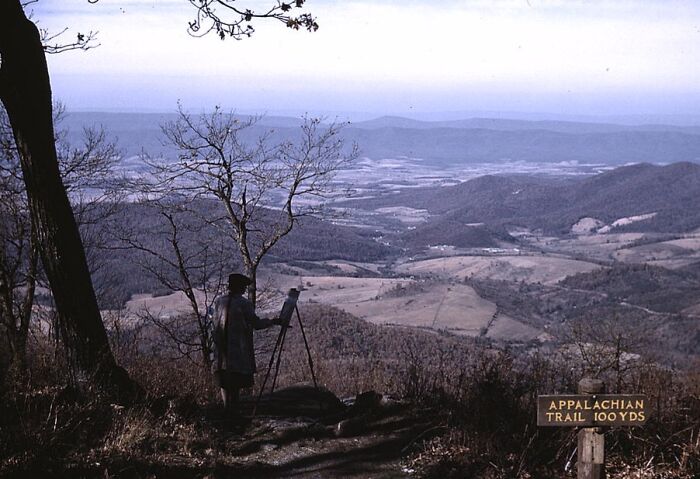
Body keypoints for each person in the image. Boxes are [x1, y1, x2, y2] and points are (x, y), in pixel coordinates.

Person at [211, 273, 281, 418]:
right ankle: (233, 414)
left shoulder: (219, 302)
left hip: (220, 353)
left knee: (224, 382)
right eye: (243, 286)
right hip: (237, 352)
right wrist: (272, 321)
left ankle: (226, 411)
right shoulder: (244, 304)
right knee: (235, 384)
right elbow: (256, 324)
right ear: (239, 287)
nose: (245, 289)